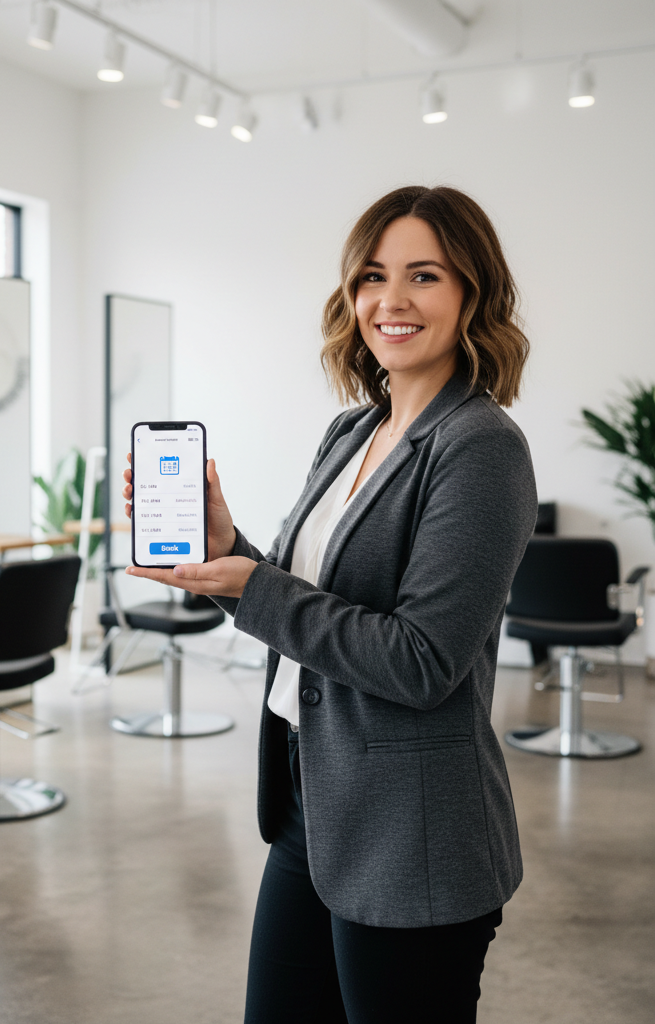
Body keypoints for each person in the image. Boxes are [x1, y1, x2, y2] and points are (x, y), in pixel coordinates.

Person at [122, 185, 536, 1023]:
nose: (391, 300)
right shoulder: (353, 430)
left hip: (411, 833)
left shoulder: (480, 445)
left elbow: (421, 662)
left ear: (472, 293)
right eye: (372, 276)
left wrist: (256, 586)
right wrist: (228, 546)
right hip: (312, 805)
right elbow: (307, 599)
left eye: (424, 275)